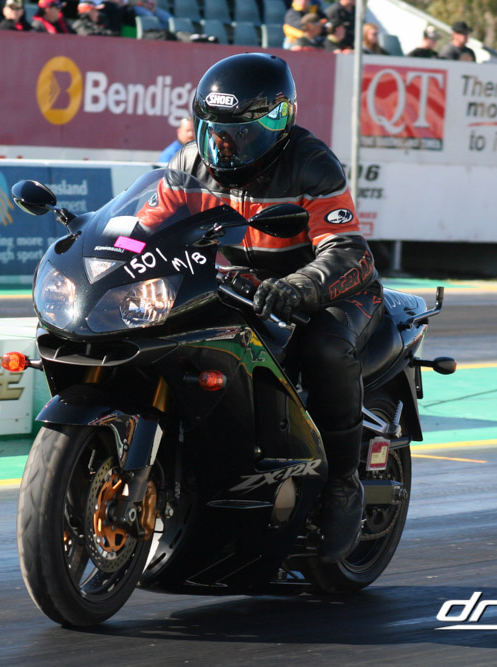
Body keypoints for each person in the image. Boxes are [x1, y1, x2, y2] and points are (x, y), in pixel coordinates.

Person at [164, 53, 380, 563]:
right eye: (216, 131)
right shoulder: (187, 165)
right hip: (243, 287)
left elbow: (348, 250)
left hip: (329, 291)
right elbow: (145, 230)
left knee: (325, 351)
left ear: (279, 121)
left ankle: (343, 485)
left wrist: (298, 286)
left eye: (241, 132)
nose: (225, 144)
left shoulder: (311, 162)